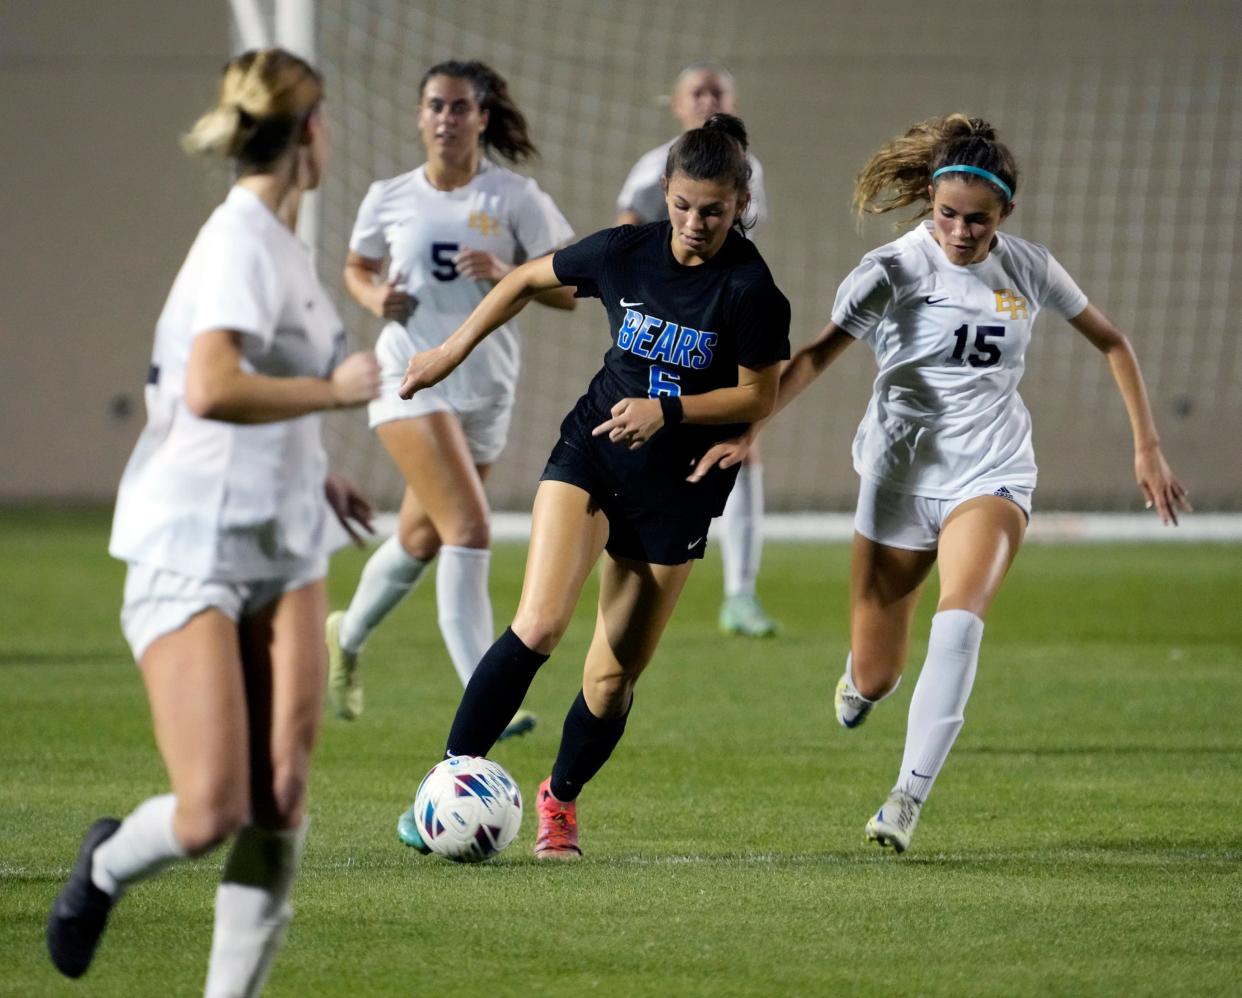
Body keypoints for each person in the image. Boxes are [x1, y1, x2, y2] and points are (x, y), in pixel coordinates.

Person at [691, 114, 1191, 853]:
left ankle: (905, 798)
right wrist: (750, 426)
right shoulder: (890, 271)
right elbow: (814, 357)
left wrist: (1147, 446)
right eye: (948, 215)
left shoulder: (1029, 268)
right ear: (930, 201)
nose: (960, 231)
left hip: (992, 471)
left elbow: (1112, 341)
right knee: (879, 674)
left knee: (959, 622)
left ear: (1006, 216)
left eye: (978, 220)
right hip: (899, 476)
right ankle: (861, 682)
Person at [46, 48, 380, 993]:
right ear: (306, 132)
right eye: (324, 120)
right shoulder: (238, 238)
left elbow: (249, 400)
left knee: (280, 798)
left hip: (283, 544)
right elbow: (213, 386)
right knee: (210, 812)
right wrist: (332, 389)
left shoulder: (285, 250)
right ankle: (107, 862)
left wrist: (314, 476)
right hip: (191, 549)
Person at [397, 113, 790, 858]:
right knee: (539, 623)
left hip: (678, 488)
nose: (693, 223)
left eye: (711, 209)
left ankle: (560, 800)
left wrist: (667, 410)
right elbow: (521, 278)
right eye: (680, 205)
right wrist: (448, 351)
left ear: (739, 203)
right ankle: (443, 789)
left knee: (611, 681)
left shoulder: (751, 290)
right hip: (594, 452)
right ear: (664, 194)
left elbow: (756, 398)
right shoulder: (626, 251)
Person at [327, 60, 576, 738]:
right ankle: (486, 693)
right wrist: (375, 296)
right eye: (435, 105)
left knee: (420, 536)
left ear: (483, 118)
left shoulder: (515, 198)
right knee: (468, 527)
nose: (447, 118)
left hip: (485, 388)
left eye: (460, 107)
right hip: (406, 375)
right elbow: (356, 267)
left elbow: (572, 290)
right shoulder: (389, 196)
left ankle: (346, 635)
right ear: (419, 115)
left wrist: (514, 276)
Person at [616, 61, 778, 639]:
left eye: (718, 91)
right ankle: (628, 565)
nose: (708, 99)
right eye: (697, 92)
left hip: (722, 327)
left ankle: (740, 594)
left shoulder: (747, 168)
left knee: (741, 445)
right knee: (639, 436)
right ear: (676, 105)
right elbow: (625, 242)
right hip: (666, 332)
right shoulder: (652, 168)